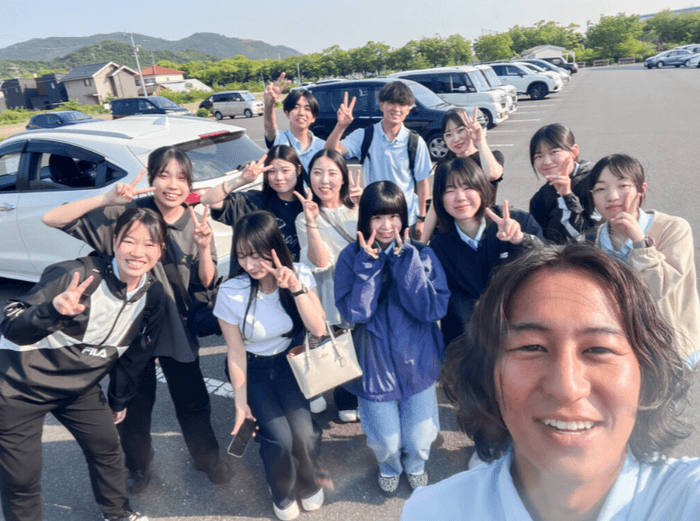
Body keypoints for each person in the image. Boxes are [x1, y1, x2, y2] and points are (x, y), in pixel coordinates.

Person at [401, 243, 700, 521]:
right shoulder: (431, 512)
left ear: (647, 372)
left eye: (598, 349)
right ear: (487, 374)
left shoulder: (686, 499)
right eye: (532, 347)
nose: (566, 388)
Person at [41, 146, 231, 493]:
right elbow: (52, 218)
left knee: (193, 402)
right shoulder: (129, 217)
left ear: (189, 183)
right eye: (164, 175)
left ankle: (207, 459)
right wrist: (105, 199)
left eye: (181, 177)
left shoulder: (194, 220)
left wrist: (204, 247)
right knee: (133, 407)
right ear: (152, 178)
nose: (172, 185)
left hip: (176, 327)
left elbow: (206, 281)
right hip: (128, 331)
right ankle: (138, 467)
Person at [0, 208, 168, 521]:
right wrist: (53, 310)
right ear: (115, 241)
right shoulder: (76, 274)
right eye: (130, 241)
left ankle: (117, 513)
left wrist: (118, 399)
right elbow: (11, 325)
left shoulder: (153, 294)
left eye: (149, 244)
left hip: (79, 386)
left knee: (107, 447)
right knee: (21, 479)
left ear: (161, 250)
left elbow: (135, 354)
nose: (138, 252)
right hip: (19, 386)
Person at [334, 181, 450, 494]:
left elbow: (431, 310)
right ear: (365, 220)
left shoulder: (422, 254)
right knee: (385, 440)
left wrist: (407, 262)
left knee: (419, 438)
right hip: (373, 363)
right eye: (377, 217)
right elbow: (356, 313)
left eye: (394, 216)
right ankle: (389, 466)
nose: (387, 226)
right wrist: (368, 268)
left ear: (404, 218)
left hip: (418, 357)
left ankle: (415, 464)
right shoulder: (350, 257)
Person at [214, 211, 327, 521]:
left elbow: (319, 329)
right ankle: (281, 489)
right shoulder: (231, 292)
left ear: (274, 248)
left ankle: (308, 478)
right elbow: (235, 352)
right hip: (254, 369)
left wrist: (295, 288)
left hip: (290, 363)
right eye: (242, 256)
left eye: (256, 255)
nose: (250, 265)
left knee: (304, 434)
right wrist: (240, 404)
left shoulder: (300, 273)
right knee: (279, 438)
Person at [585, 153, 700, 367]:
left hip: (668, 352)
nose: (612, 196)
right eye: (600, 189)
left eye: (622, 186)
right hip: (618, 353)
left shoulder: (672, 229)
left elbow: (656, 289)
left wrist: (640, 242)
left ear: (641, 190)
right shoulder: (592, 240)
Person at [429, 156, 543, 346]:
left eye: (468, 187)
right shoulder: (439, 247)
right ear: (439, 198)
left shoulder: (517, 222)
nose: (460, 197)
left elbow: (549, 265)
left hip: (522, 341)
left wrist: (520, 240)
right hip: (470, 349)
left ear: (481, 188)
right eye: (450, 190)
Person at [294, 148, 362, 421]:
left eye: (332, 173)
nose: (324, 180)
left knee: (358, 344)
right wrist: (312, 223)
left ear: (343, 177)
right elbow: (320, 262)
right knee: (332, 342)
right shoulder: (304, 218)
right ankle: (327, 392)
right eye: (317, 173)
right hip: (327, 291)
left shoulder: (358, 210)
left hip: (358, 292)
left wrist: (366, 206)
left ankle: (351, 395)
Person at [325, 81, 432, 240]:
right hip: (374, 219)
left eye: (402, 104)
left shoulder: (415, 142)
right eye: (391, 103)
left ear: (408, 109)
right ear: (382, 105)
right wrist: (341, 126)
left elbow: (423, 183)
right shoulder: (365, 135)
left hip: (406, 220)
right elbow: (329, 153)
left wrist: (422, 219)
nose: (396, 109)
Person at [201, 144, 307, 267]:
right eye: (272, 171)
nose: (279, 177)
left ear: (298, 170)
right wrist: (241, 179)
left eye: (285, 171)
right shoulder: (252, 202)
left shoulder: (308, 206)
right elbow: (207, 200)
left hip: (294, 276)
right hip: (252, 276)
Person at [421, 107, 505, 242]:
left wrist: (480, 140)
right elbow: (434, 207)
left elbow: (492, 174)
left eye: (461, 130)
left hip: (486, 232)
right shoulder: (444, 166)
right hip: (453, 235)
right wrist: (422, 243)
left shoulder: (490, 157)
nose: (456, 139)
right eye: (448, 134)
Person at [528, 123, 597, 243]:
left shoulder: (596, 183)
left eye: (554, 152)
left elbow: (592, 239)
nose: (547, 162)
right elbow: (541, 244)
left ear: (574, 151)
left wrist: (567, 196)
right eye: (539, 156)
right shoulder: (539, 198)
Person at [263, 73, 325, 180]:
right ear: (287, 113)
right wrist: (269, 104)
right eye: (296, 107)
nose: (301, 113)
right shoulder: (280, 139)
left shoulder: (322, 146)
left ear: (314, 117)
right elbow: (269, 126)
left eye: (307, 108)